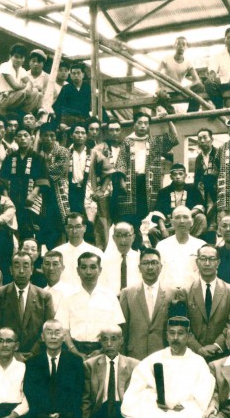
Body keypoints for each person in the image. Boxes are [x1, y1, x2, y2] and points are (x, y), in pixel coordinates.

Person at [121, 316, 216, 418]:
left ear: (188, 336)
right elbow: (140, 384)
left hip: (187, 408)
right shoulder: (155, 359)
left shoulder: (197, 361)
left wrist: (186, 404)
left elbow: (204, 388)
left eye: (180, 334)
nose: (175, 338)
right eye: (172, 333)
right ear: (166, 335)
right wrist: (157, 401)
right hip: (160, 408)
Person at [113, 112, 178, 227]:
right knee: (129, 212)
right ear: (134, 125)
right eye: (140, 123)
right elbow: (121, 161)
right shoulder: (128, 141)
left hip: (149, 182)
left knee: (147, 211)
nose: (143, 126)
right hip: (131, 182)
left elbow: (173, 138)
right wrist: (121, 181)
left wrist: (168, 120)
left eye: (146, 123)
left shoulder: (154, 141)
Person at [57, 252, 126, 358]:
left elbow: (118, 327)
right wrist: (74, 351)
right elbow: (63, 328)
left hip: (103, 351)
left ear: (100, 270)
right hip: (74, 350)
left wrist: (102, 350)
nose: (88, 272)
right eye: (84, 267)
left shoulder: (110, 296)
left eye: (93, 267)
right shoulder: (68, 296)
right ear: (78, 270)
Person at [0, 253, 55, 359]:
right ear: (10, 269)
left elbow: (48, 329)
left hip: (37, 356)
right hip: (7, 357)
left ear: (32, 269)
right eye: (17, 266)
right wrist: (13, 352)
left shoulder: (44, 296)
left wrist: (33, 352)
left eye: (26, 266)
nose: (21, 271)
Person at [119, 248, 178, 361]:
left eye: (154, 263)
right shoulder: (127, 293)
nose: (150, 267)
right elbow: (123, 330)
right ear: (139, 267)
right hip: (134, 355)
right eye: (146, 263)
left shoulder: (172, 293)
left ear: (161, 267)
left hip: (163, 354)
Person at [185, 244, 230, 358]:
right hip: (193, 354)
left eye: (211, 259)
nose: (207, 263)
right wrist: (198, 348)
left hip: (222, 354)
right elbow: (184, 325)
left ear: (218, 262)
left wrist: (217, 345)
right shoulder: (186, 291)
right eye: (203, 259)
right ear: (197, 262)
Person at [0, 127, 48, 242]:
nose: (23, 138)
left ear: (31, 138)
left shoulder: (38, 158)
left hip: (31, 199)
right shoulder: (10, 158)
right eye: (19, 136)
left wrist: (33, 195)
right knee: (11, 228)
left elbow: (43, 179)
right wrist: (6, 198)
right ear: (15, 139)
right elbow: (2, 179)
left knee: (30, 228)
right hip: (12, 198)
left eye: (25, 135)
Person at [148, 163, 208, 239]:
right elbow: (158, 211)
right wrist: (163, 229)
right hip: (171, 225)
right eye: (175, 174)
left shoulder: (193, 189)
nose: (178, 177)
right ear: (171, 177)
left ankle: (192, 242)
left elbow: (200, 206)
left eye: (180, 174)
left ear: (185, 176)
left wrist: (185, 214)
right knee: (152, 231)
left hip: (188, 224)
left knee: (201, 218)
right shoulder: (164, 192)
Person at [89, 121, 123, 249]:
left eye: (117, 130)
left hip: (122, 190)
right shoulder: (100, 148)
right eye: (111, 130)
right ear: (107, 132)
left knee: (122, 222)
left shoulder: (125, 146)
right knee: (104, 222)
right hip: (106, 188)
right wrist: (100, 189)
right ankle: (102, 250)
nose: (114, 133)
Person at [156, 206, 207, 291]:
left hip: (193, 294)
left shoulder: (201, 245)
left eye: (185, 217)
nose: (182, 221)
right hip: (167, 293)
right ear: (172, 222)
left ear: (192, 222)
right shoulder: (161, 246)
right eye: (177, 217)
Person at [51, 212, 104, 287]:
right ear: (66, 229)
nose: (74, 231)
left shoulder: (96, 252)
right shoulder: (56, 253)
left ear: (84, 228)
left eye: (78, 227)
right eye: (70, 227)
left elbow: (102, 280)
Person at [157, 36, 207, 113]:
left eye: (183, 44)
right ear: (174, 46)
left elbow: (197, 80)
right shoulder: (166, 58)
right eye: (178, 44)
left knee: (200, 87)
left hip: (179, 89)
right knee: (161, 96)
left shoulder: (188, 62)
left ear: (186, 47)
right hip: (166, 90)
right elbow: (157, 73)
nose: (181, 46)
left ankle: (191, 112)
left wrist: (188, 87)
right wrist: (160, 88)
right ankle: (172, 113)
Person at [0, 43, 41, 114]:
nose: (19, 60)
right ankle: (5, 111)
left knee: (36, 92)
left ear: (24, 59)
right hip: (2, 98)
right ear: (10, 57)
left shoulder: (22, 70)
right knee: (25, 91)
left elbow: (29, 82)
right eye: (16, 57)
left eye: (21, 57)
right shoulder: (5, 66)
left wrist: (29, 87)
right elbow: (15, 86)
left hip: (14, 97)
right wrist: (26, 87)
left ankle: (24, 114)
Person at [100, 221, 141, 294]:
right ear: (113, 238)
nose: (123, 240)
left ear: (133, 237)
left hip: (135, 300)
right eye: (119, 236)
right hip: (112, 301)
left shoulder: (140, 259)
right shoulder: (105, 260)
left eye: (126, 235)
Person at [192, 128, 222, 228]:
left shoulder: (219, 153)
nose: (202, 141)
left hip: (219, 190)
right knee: (208, 219)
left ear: (211, 139)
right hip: (204, 192)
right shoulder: (198, 158)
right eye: (200, 138)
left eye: (205, 137)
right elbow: (197, 178)